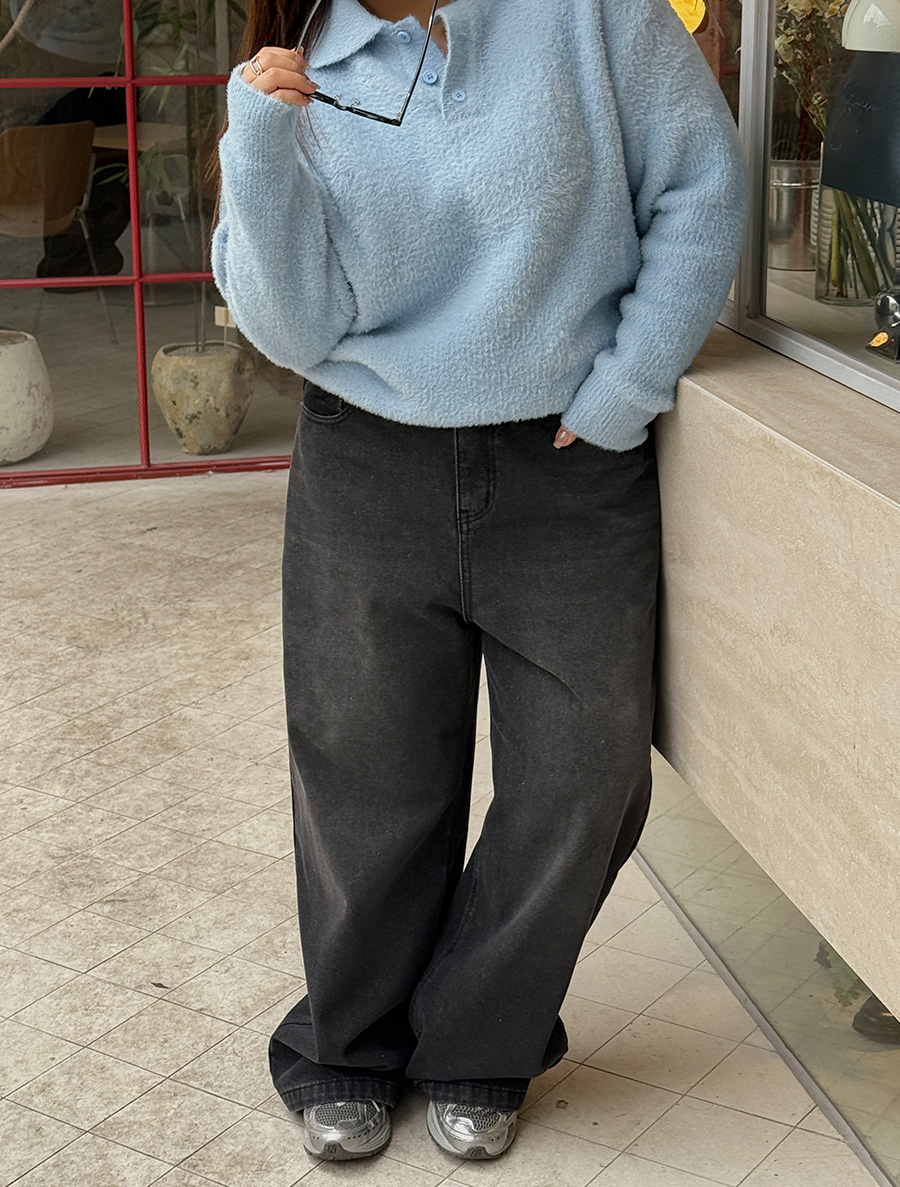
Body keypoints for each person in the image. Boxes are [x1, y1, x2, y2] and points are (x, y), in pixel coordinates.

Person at [211, 0, 747, 1163]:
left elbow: (700, 190)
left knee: (584, 773)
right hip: (364, 459)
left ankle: (480, 1036)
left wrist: (626, 388)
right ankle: (347, 1044)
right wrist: (257, 144)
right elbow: (292, 330)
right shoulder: (305, 55)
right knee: (367, 776)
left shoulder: (597, 17)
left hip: (569, 467)